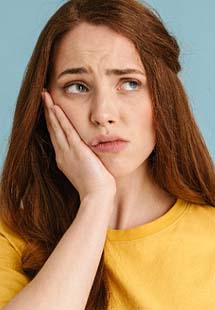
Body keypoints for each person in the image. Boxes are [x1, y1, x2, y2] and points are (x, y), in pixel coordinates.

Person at [0, 0, 215, 309]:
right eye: (77, 87)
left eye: (129, 83)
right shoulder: (12, 234)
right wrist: (96, 199)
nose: (103, 114)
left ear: (164, 97)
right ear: (45, 104)